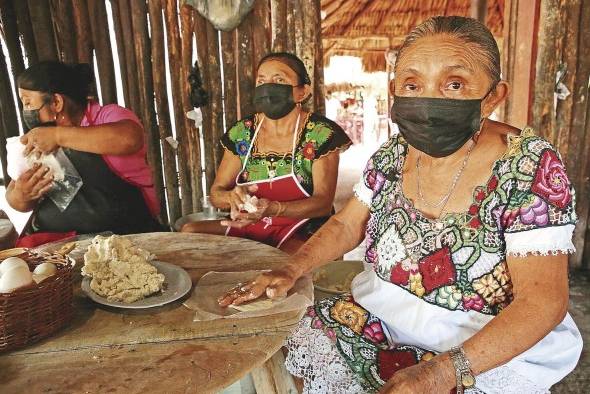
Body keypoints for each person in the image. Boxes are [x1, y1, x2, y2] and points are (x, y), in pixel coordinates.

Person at [218, 16, 582, 393]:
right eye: (412, 84)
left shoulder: (528, 167)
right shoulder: (394, 153)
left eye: (454, 84)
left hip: (478, 345)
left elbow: (542, 302)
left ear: (492, 96)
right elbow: (346, 224)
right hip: (381, 316)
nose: (428, 101)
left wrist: (439, 374)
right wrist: (290, 269)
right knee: (274, 352)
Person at [182, 52, 351, 254]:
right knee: (189, 232)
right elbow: (216, 193)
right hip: (249, 224)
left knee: (286, 260)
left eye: (279, 80)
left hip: (300, 229)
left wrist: (274, 209)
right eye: (261, 81)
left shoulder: (320, 133)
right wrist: (232, 198)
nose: (268, 87)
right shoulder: (243, 133)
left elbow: (323, 203)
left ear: (302, 92)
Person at [7, 61, 161, 247]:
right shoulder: (38, 137)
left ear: (56, 102)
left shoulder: (107, 116)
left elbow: (129, 139)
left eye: (28, 103)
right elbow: (16, 200)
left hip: (127, 241)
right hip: (61, 249)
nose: (26, 111)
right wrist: (22, 195)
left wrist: (57, 136)